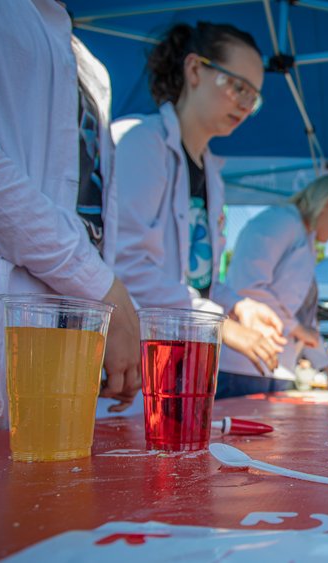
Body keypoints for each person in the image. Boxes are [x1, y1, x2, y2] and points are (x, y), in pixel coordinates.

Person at [0, 1, 141, 433]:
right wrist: (100, 287)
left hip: (66, 353)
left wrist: (107, 304)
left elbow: (92, 218)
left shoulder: (91, 67)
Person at [112, 21, 285, 373]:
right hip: (132, 357)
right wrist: (222, 324)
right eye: (237, 87)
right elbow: (127, 266)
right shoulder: (143, 142)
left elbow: (197, 277)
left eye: (253, 97)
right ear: (195, 69)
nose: (244, 105)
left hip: (181, 361)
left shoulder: (212, 174)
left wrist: (239, 306)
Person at [213, 175, 328, 396]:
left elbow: (304, 321)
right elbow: (246, 288)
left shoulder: (306, 239)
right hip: (243, 367)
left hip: (277, 369)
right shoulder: (280, 221)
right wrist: (297, 329)